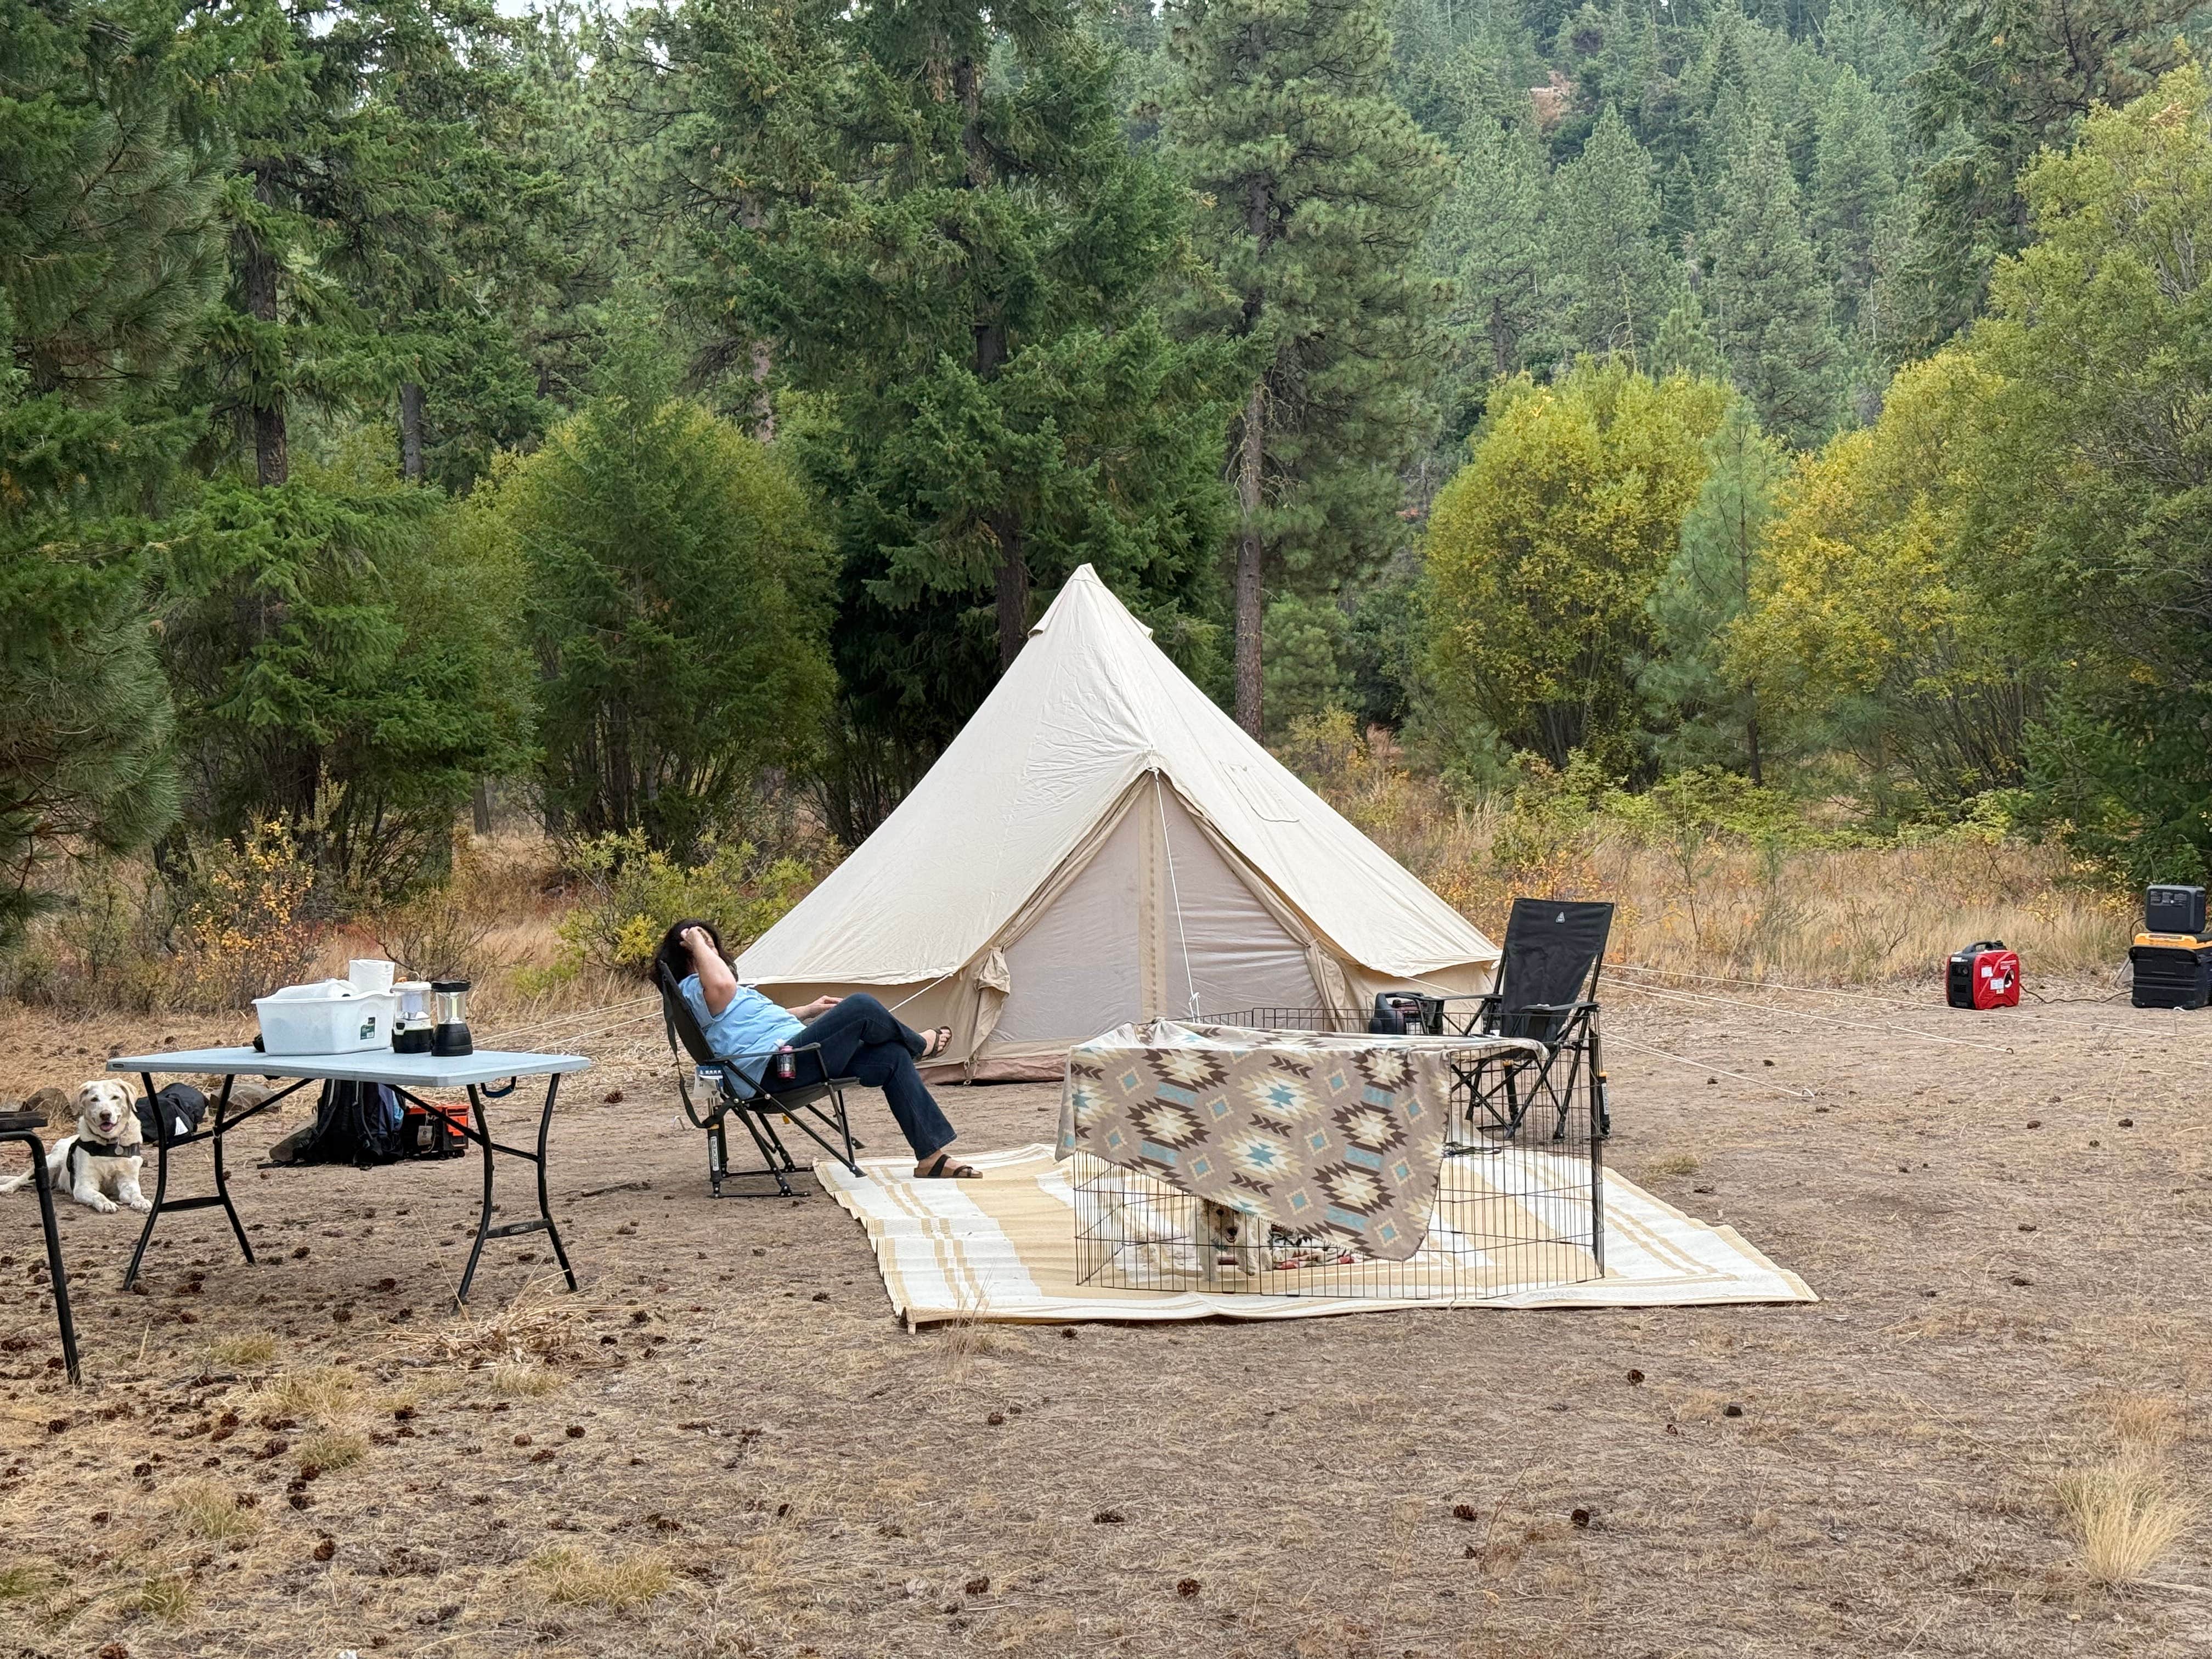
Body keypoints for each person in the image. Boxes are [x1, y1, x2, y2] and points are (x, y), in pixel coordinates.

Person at [653, 918, 979, 1180]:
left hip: (795, 1058)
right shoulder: (694, 990)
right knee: (862, 1007)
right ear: (687, 957)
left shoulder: (725, 994)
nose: (715, 952)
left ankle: (931, 1158)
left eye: (713, 944)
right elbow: (722, 985)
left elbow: (751, 1022)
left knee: (892, 1058)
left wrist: (806, 1011)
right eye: (705, 947)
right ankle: (920, 1044)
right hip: (773, 1073)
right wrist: (697, 941)